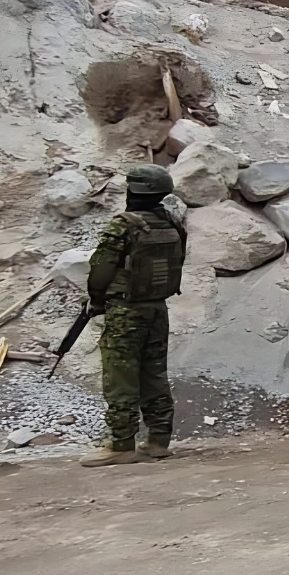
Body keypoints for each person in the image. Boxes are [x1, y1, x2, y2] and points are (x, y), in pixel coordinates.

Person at [80, 164, 186, 467]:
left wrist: (97, 300)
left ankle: (121, 444)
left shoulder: (123, 225)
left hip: (126, 310)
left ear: (133, 190)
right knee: (154, 373)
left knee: (121, 375)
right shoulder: (171, 222)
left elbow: (101, 270)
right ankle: (158, 441)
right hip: (157, 308)